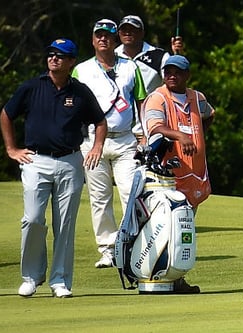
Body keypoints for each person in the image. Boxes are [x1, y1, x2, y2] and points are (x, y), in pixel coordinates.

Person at [0, 38, 108, 297]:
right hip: (36, 160)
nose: (54, 58)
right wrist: (11, 149)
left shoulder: (80, 91)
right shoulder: (32, 87)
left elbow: (100, 121)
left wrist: (96, 148)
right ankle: (31, 277)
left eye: (61, 55)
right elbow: (6, 114)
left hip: (70, 161)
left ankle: (59, 280)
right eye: (51, 54)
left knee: (66, 225)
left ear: (71, 62)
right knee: (33, 219)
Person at [72, 19, 148, 269]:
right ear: (93, 40)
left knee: (130, 194)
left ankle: (133, 245)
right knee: (99, 197)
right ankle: (107, 249)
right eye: (99, 35)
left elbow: (141, 104)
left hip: (126, 139)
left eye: (108, 35)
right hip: (92, 141)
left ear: (115, 40)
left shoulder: (130, 68)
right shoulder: (81, 70)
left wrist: (144, 133)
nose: (103, 39)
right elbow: (72, 105)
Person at [141, 55, 215, 293]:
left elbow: (210, 115)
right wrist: (182, 136)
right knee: (169, 228)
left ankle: (177, 279)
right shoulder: (158, 97)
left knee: (184, 230)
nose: (172, 75)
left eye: (178, 72)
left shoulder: (197, 98)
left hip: (193, 172)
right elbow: (155, 127)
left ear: (187, 75)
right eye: (168, 71)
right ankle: (161, 277)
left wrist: (198, 137)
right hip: (167, 176)